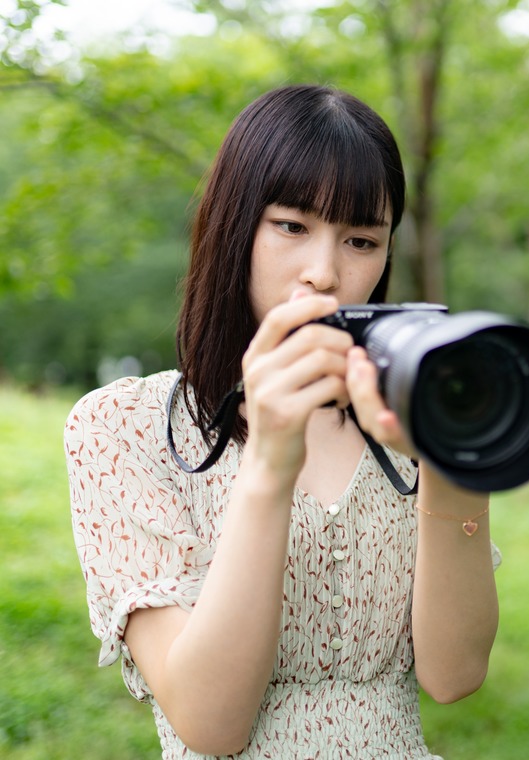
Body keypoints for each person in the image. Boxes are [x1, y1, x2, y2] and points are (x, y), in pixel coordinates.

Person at [64, 84, 499, 759]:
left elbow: (455, 674)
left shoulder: (407, 412)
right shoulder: (124, 428)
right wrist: (269, 462)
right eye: (292, 226)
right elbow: (210, 723)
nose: (323, 273)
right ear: (233, 224)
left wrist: (455, 464)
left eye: (361, 239)